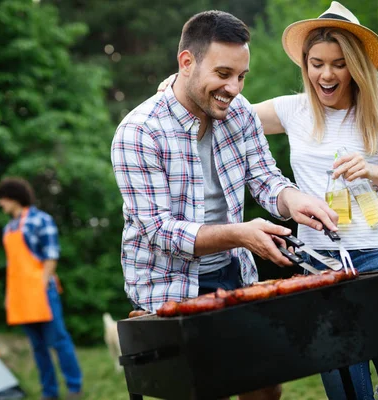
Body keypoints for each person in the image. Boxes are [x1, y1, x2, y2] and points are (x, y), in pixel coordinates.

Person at [111, 10, 339, 400]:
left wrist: (295, 200)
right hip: (169, 285)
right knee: (206, 388)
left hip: (235, 273)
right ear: (187, 63)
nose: (234, 88)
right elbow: (157, 230)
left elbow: (266, 178)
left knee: (265, 388)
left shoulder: (240, 114)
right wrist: (241, 234)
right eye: (223, 74)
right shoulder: (138, 132)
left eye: (241, 76)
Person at [251, 3, 378, 400]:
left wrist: (374, 171)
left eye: (338, 63)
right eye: (316, 63)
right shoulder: (291, 110)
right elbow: (226, 109)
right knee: (346, 389)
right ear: (305, 65)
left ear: (356, 66)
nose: (326, 74)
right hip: (320, 265)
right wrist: (177, 86)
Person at [0, 177, 82, 400]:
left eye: (2, 199)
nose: (0, 204)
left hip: (43, 291)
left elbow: (51, 256)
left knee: (58, 340)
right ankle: (49, 392)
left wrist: (41, 286)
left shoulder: (41, 220)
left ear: (12, 198)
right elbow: (12, 266)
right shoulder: (8, 229)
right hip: (20, 295)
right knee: (38, 347)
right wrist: (9, 295)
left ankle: (74, 387)